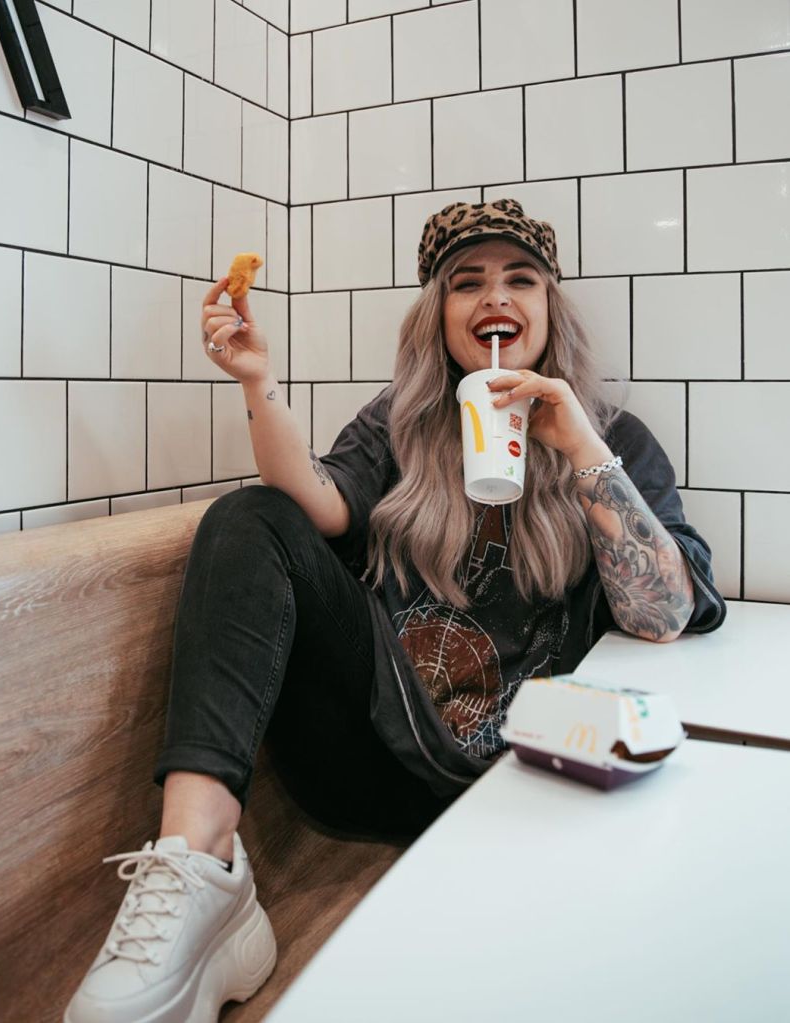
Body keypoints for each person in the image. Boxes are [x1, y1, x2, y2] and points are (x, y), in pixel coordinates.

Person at [65, 199, 726, 1022]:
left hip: (530, 783)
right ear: (437, 314)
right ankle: (201, 862)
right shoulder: (398, 424)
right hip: (374, 762)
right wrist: (257, 382)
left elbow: (665, 615)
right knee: (248, 514)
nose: (495, 296)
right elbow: (314, 504)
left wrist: (583, 449)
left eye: (520, 279)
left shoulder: (610, 438)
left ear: (550, 306)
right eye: (466, 282)